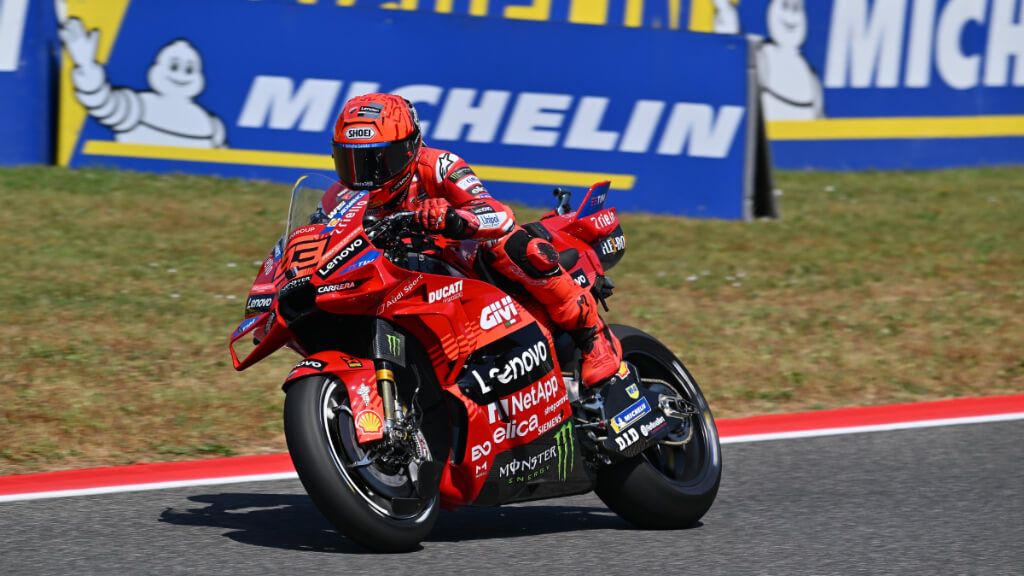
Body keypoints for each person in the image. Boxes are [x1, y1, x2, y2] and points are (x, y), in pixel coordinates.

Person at [329, 93, 622, 390]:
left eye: (377, 161)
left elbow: (498, 214)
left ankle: (593, 337)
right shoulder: (342, 197)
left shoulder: (439, 165)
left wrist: (453, 219)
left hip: (460, 261)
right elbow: (322, 234)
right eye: (352, 162)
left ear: (409, 148)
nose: (365, 176)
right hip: (401, 278)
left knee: (513, 246)